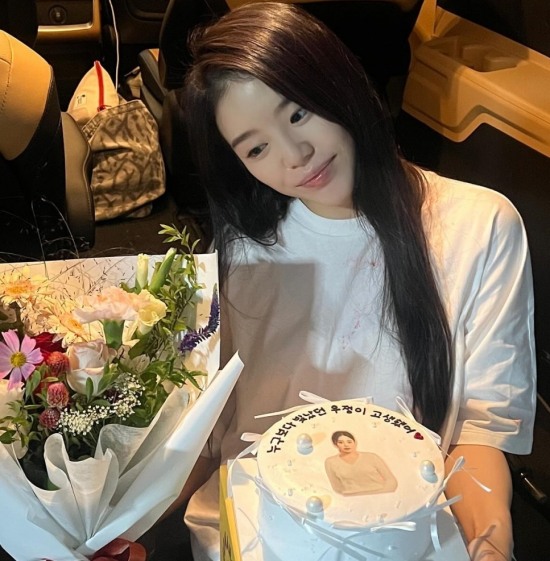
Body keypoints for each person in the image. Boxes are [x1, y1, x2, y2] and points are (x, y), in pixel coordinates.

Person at [167, 4, 536, 561]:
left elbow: (480, 433)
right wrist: (115, 525)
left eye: (298, 114)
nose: (296, 156)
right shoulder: (243, 248)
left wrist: (490, 547)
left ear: (338, 82)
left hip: (402, 538)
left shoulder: (480, 226)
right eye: (256, 148)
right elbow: (212, 428)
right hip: (251, 538)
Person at [325, 431, 398, 495]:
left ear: (355, 442)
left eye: (349, 442)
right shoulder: (330, 462)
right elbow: (337, 488)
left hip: (381, 495)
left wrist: (381, 493)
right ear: (335, 444)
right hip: (352, 499)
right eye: (341, 442)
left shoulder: (371, 457)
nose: (346, 445)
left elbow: (391, 481)